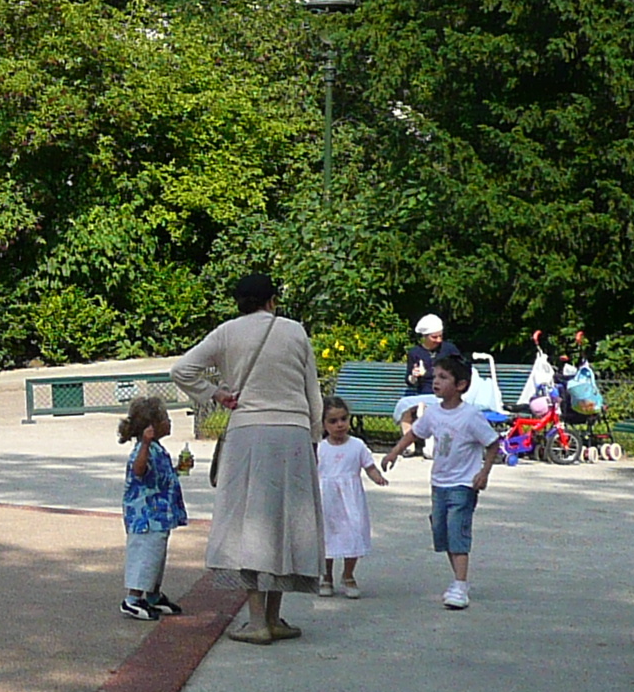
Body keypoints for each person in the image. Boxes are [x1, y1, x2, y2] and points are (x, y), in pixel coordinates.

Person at [172, 273, 323, 644]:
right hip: (292, 432)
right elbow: (313, 392)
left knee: (250, 523)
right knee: (285, 520)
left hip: (248, 433)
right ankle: (274, 617)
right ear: (272, 299)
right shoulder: (294, 332)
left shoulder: (227, 333)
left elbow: (181, 370)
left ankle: (255, 621)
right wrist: (314, 438)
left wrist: (215, 394)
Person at [396, 349, 499, 608]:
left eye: (443, 377)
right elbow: (415, 434)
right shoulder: (433, 412)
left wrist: (483, 473)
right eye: (435, 377)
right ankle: (458, 580)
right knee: (441, 532)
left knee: (457, 532)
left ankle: (460, 586)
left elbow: (492, 443)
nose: (436, 382)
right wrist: (393, 453)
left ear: (461, 385)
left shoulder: (471, 415)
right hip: (439, 483)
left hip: (463, 485)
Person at [118, 397, 189, 621]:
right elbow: (139, 471)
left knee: (156, 556)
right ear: (151, 426)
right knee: (144, 555)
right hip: (145, 516)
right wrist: (146, 444)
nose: (170, 423)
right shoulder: (143, 449)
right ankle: (133, 598)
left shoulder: (158, 449)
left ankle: (152, 594)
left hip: (159, 516)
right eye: (165, 420)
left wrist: (178, 469)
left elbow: (158, 477)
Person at [315, 400, 389, 599]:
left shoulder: (357, 445)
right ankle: (326, 576)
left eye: (343, 419)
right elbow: (312, 472)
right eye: (333, 421)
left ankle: (348, 575)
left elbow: (369, 466)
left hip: (351, 499)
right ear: (323, 424)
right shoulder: (320, 448)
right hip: (327, 499)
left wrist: (377, 477)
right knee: (327, 537)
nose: (339, 424)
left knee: (353, 533)